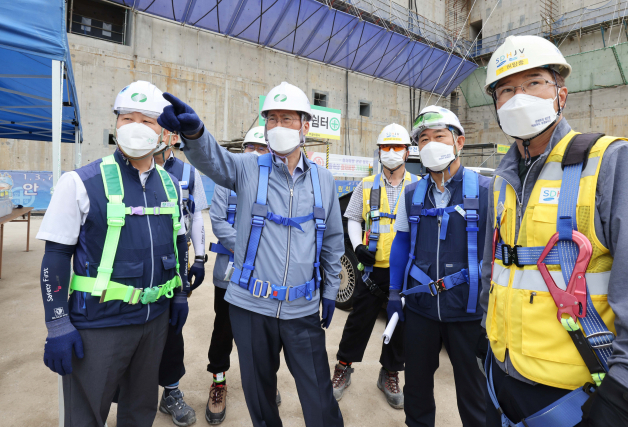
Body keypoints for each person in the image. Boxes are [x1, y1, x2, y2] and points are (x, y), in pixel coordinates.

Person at [157, 81, 345, 427]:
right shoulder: (247, 169)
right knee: (260, 396)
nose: (277, 127)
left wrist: (330, 289)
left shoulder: (324, 180)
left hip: (302, 309)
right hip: (250, 307)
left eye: (286, 119)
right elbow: (214, 160)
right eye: (271, 119)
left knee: (320, 398)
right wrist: (196, 133)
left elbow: (333, 240)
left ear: (305, 127)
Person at [477, 34, 628, 427]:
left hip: (576, 392)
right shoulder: (501, 180)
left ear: (561, 93)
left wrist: (621, 391)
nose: (519, 97)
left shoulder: (608, 162)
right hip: (502, 373)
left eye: (533, 83)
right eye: (506, 89)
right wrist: (485, 337)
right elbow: (494, 268)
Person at [37, 80, 190, 427]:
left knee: (140, 412)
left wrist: (179, 293)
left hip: (154, 324)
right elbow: (56, 256)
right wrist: (58, 322)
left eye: (147, 120)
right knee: (86, 416)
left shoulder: (170, 185)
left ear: (163, 132)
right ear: (115, 124)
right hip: (99, 325)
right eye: (126, 118)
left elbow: (179, 243)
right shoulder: (79, 182)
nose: (135, 127)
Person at [388, 106, 490, 426]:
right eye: (424, 139)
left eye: (439, 136)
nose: (431, 143)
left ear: (459, 142)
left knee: (476, 395)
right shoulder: (411, 195)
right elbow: (402, 243)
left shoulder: (487, 191)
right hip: (421, 310)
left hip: (469, 311)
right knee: (416, 388)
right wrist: (394, 294)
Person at [331, 123, 415, 408]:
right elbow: (353, 217)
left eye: (397, 147)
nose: (391, 153)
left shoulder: (416, 186)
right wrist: (357, 247)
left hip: (403, 271)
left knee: (399, 324)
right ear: (379, 152)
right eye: (386, 148)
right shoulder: (366, 185)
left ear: (407, 152)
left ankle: (390, 373)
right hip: (373, 270)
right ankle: (343, 368)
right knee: (358, 322)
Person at [205, 126, 280, 424]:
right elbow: (218, 221)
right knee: (223, 332)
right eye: (250, 146)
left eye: (261, 148)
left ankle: (263, 383)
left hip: (265, 277)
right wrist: (249, 251)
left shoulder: (276, 185)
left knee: (263, 335)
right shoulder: (226, 183)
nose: (254, 153)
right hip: (230, 275)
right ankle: (219, 383)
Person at [152, 130, 208, 426]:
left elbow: (196, 214)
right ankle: (135, 392)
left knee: (173, 324)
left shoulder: (187, 172)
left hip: (176, 257)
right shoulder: (125, 168)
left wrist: (198, 258)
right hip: (138, 261)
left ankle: (170, 392)